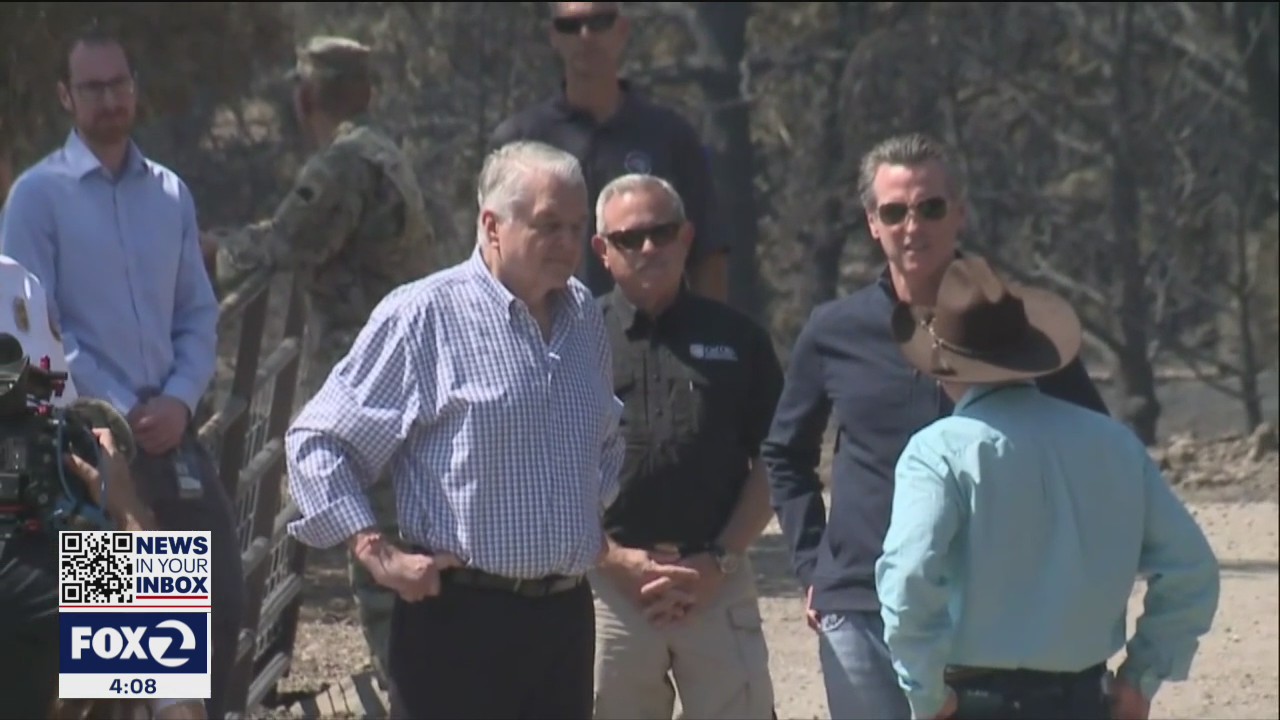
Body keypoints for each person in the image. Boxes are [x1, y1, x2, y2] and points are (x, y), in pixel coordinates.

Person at [762, 132, 1112, 720]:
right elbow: (784, 453)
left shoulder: (1017, 329)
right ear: (873, 223)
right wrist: (812, 564)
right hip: (861, 603)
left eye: (930, 207)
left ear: (959, 214)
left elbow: (1094, 445)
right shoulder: (833, 331)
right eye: (894, 211)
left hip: (989, 611)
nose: (912, 225)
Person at [284, 140, 628, 720]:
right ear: (491, 226)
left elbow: (607, 436)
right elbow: (318, 440)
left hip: (563, 624)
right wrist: (375, 551)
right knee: (128, 686)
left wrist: (584, 516)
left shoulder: (585, 317)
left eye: (576, 226)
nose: (569, 244)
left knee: (144, 681)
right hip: (459, 623)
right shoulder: (423, 315)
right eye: (549, 226)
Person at [0, 24, 243, 720]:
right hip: (83, 445)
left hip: (169, 431)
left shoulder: (171, 194)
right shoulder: (36, 198)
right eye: (92, 88)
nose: (109, 100)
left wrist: (179, 399)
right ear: (65, 98)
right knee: (125, 645)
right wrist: (107, 409)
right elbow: (31, 327)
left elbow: (198, 313)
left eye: (118, 84)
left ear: (135, 88)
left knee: (220, 601)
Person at [875, 255, 1221, 720]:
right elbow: (1191, 569)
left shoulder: (937, 452)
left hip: (977, 701)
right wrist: (1141, 677)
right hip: (1086, 699)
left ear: (941, 368)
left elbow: (908, 578)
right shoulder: (1115, 444)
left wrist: (925, 693)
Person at [204, 34, 437, 685]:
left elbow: (281, 246)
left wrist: (200, 254)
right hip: (399, 381)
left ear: (306, 96)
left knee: (385, 570)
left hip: (367, 393)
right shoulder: (386, 155)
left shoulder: (345, 164)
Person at [590, 174, 781, 719]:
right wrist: (613, 558)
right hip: (609, 587)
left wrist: (719, 559)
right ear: (603, 250)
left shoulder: (739, 338)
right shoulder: (572, 339)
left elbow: (776, 458)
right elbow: (545, 465)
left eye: (662, 232)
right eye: (629, 238)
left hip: (716, 579)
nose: (648, 247)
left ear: (687, 236)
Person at [490, 1, 727, 301]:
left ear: (622, 30)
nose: (586, 36)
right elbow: (492, 257)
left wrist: (708, 338)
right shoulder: (519, 141)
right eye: (570, 26)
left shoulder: (670, 135)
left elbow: (707, 253)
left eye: (599, 22)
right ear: (554, 36)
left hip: (650, 339)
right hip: (546, 337)